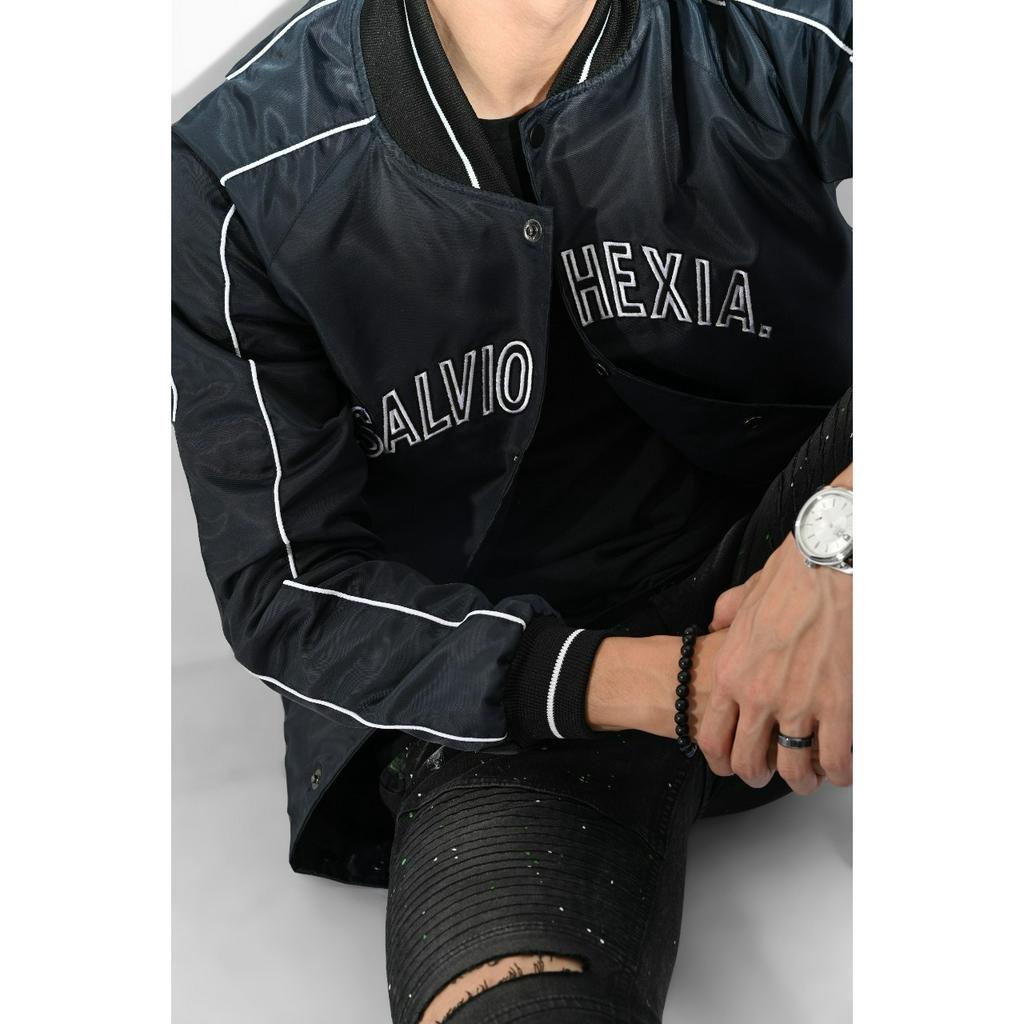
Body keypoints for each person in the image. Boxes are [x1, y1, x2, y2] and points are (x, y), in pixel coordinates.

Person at [171, 0, 853, 1020]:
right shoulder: (239, 159)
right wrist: (682, 684)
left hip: (800, 544)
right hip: (504, 695)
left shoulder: (789, 27)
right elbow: (287, 588)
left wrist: (843, 543)